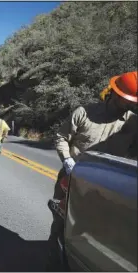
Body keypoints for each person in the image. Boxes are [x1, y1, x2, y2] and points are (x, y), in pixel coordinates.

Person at [46, 71, 137, 270]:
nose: (130, 104)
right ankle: (54, 262)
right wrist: (68, 161)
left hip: (107, 187)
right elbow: (61, 138)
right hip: (72, 179)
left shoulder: (133, 123)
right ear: (114, 92)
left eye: (133, 101)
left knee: (99, 232)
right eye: (127, 99)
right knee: (63, 225)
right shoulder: (84, 113)